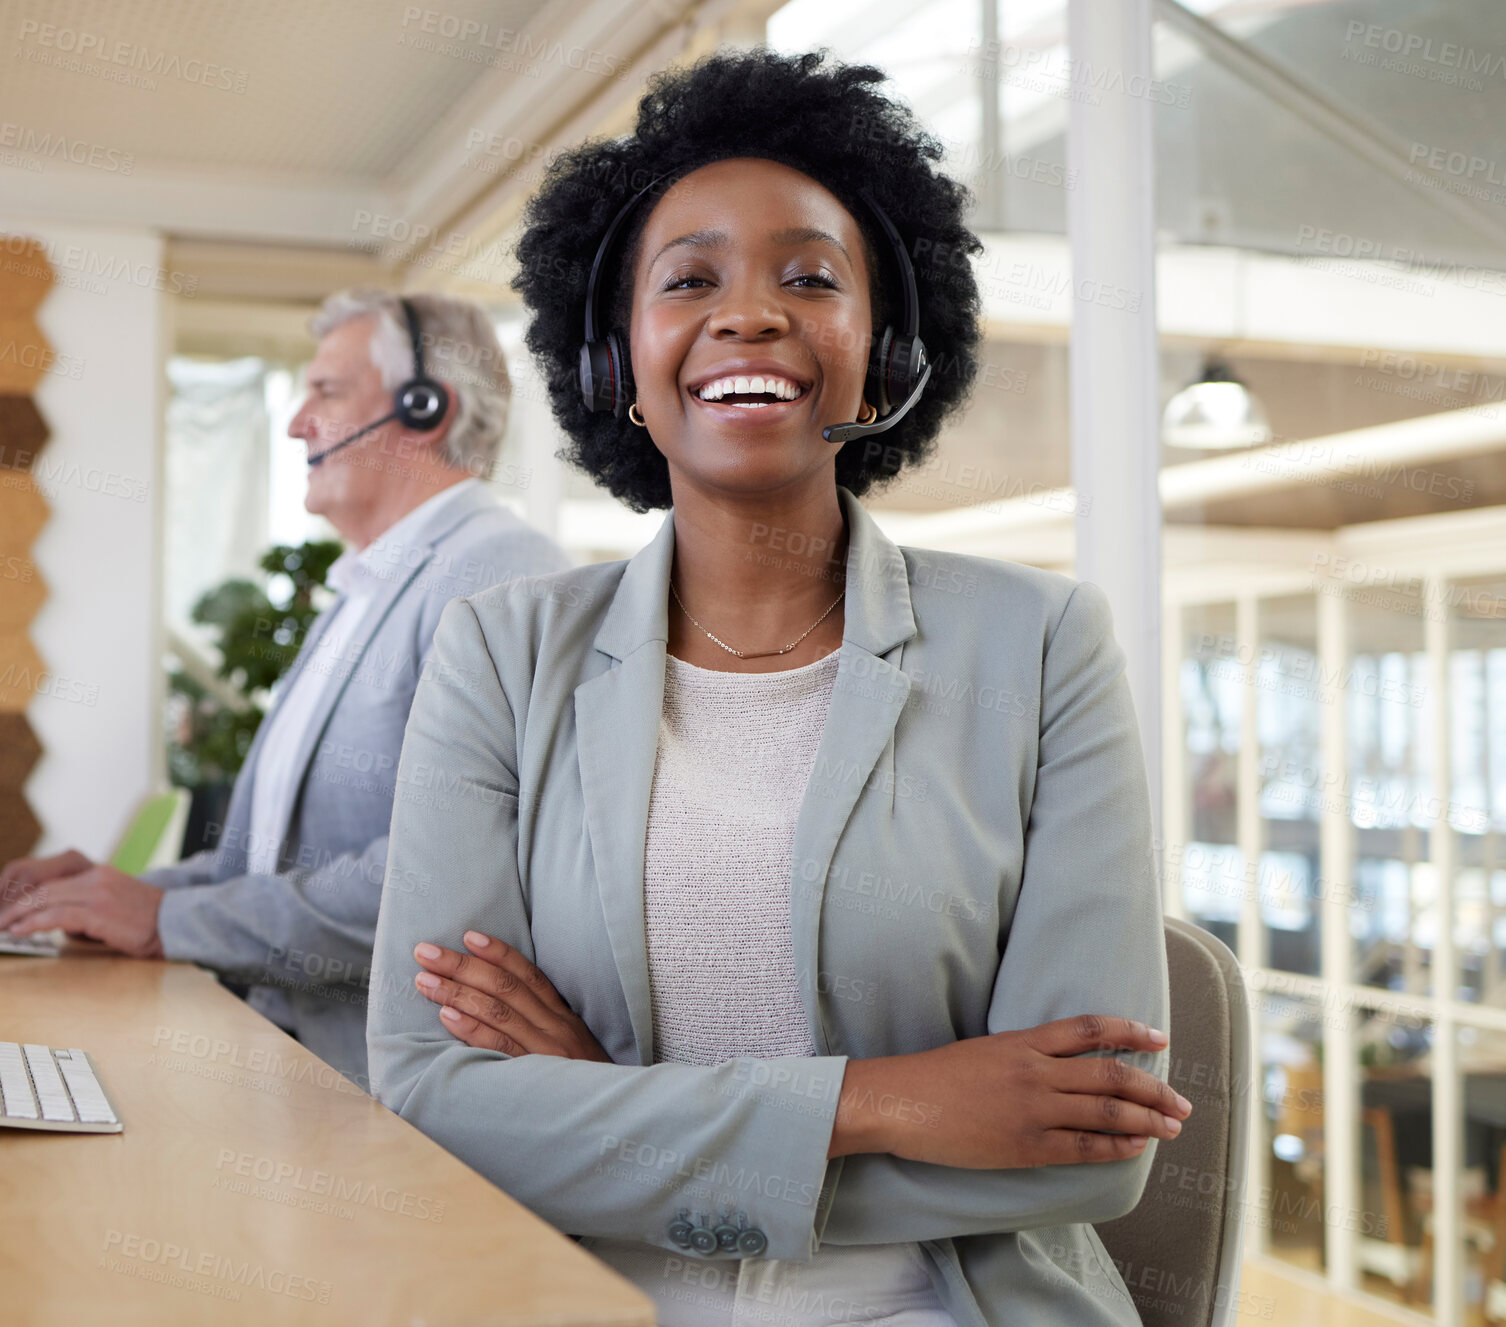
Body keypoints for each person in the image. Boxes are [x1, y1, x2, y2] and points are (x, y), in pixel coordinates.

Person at [366, 48, 1187, 1325]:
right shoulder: (500, 654)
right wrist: (894, 1101)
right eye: (688, 279)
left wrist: (606, 1107)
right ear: (612, 365)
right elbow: (432, 1096)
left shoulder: (1042, 646)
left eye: (811, 277)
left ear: (886, 350)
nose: (749, 314)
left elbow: (1092, 1140)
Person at [0, 290, 572, 1091]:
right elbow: (266, 863)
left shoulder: (503, 578)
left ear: (424, 408)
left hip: (395, 1095)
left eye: (326, 392)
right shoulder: (363, 589)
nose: (297, 422)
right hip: (287, 1059)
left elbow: (437, 876)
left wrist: (167, 919)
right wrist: (113, 894)